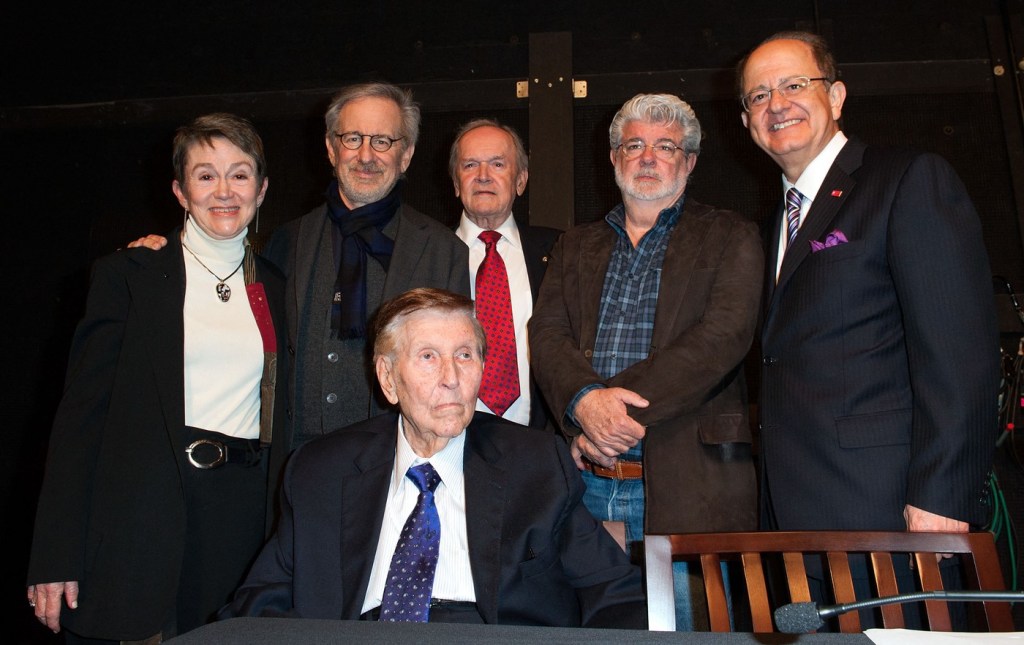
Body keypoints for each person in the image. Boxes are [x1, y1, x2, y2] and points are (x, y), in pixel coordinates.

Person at [736, 31, 998, 624]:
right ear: (747, 123)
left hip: (891, 512)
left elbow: (960, 353)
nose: (776, 103)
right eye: (757, 95)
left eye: (794, 84)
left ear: (838, 95)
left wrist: (942, 497)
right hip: (795, 513)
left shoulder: (908, 179)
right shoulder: (773, 221)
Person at [221, 288, 646, 627]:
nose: (451, 378)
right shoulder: (321, 471)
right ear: (388, 378)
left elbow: (615, 595)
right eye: (428, 357)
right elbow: (260, 601)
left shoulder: (536, 466)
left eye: (465, 355)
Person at [26, 113, 288, 641]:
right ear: (179, 189)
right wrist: (53, 554)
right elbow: (80, 419)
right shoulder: (130, 275)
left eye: (239, 175)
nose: (223, 191)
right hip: (142, 510)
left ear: (261, 190)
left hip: (239, 519)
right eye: (205, 175)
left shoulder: (279, 286)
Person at [528, 94, 763, 628]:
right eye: (634, 145)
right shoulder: (573, 246)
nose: (649, 157)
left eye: (665, 147)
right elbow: (546, 334)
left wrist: (606, 416)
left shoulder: (730, 234)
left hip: (691, 490)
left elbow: (723, 339)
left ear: (690, 162)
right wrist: (585, 404)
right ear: (613, 158)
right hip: (583, 487)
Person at [130, 83, 470, 450]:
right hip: (295, 460)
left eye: (383, 141)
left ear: (406, 155)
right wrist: (165, 250)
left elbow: (457, 373)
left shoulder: (443, 251)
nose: (366, 155)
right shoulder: (286, 241)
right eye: (353, 138)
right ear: (330, 148)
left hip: (394, 460)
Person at [449, 118, 560, 428]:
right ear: (456, 183)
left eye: (498, 164)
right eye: (470, 165)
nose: (483, 176)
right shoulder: (428, 255)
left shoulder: (560, 250)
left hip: (540, 441)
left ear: (520, 181)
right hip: (452, 437)